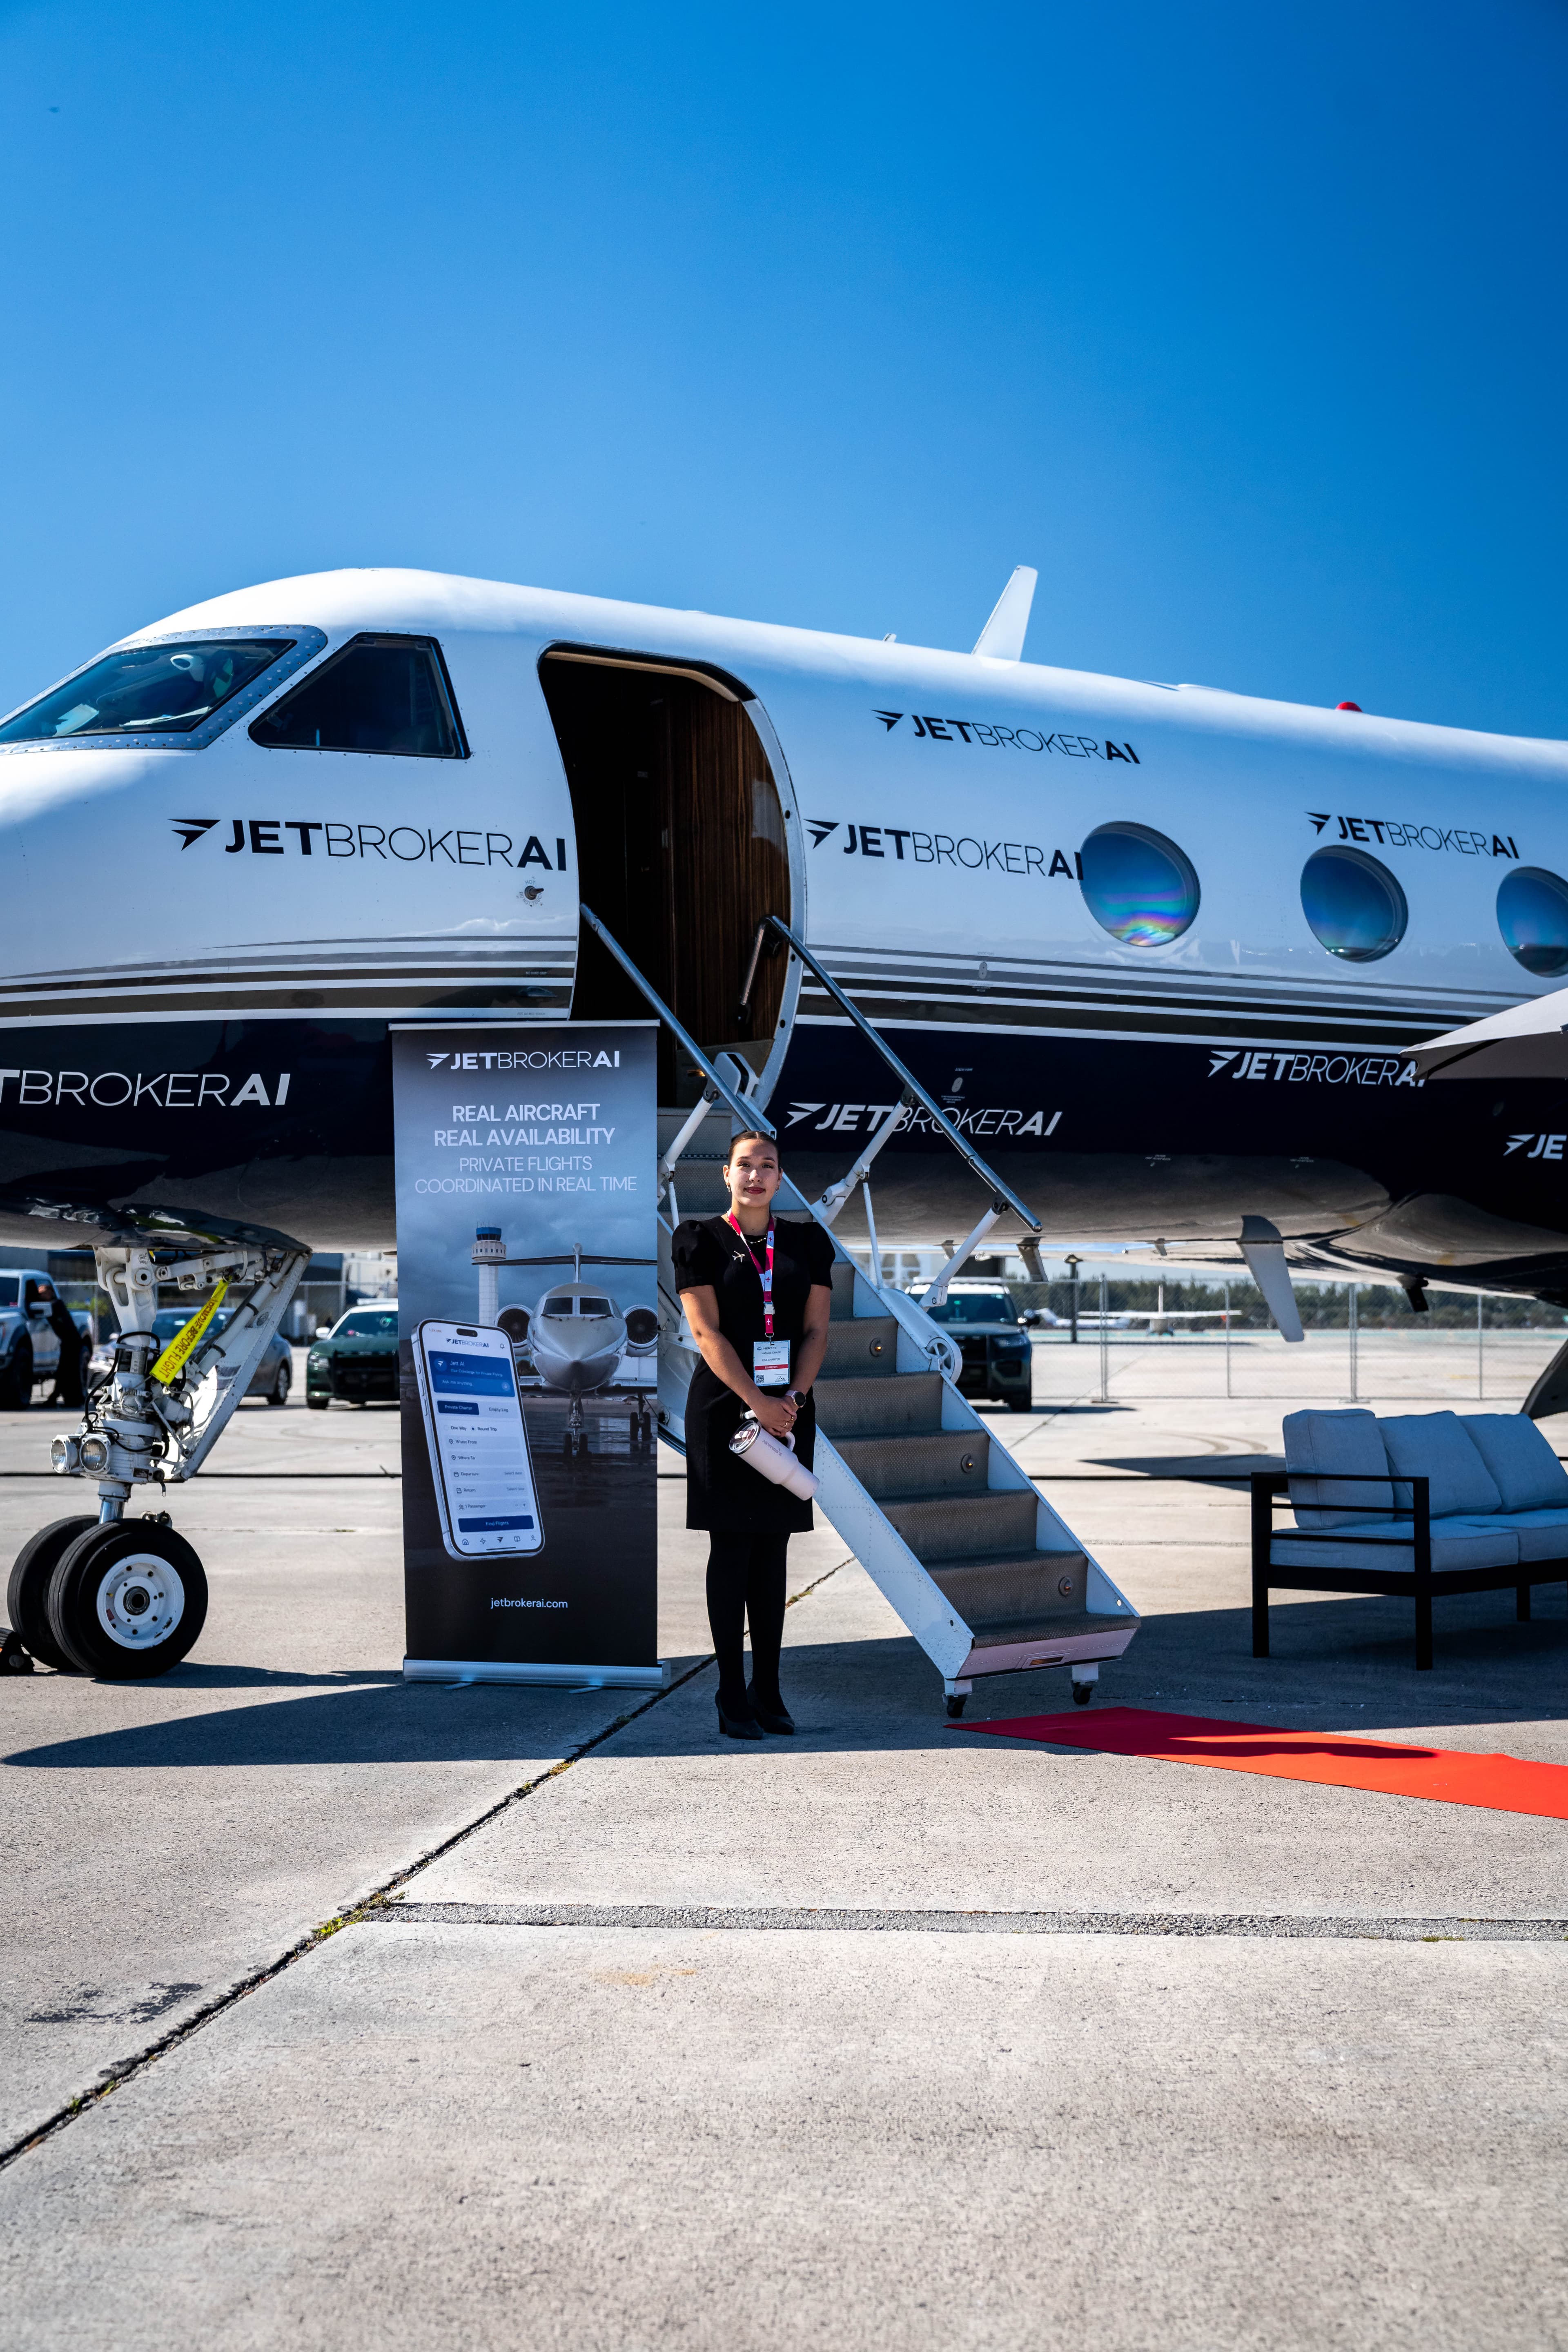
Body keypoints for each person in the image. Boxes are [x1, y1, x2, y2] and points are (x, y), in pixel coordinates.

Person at [672, 1130, 834, 1739]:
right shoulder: (699, 1239)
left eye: (768, 1166)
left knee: (773, 1552)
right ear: (727, 1176)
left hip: (789, 1408)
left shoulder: (807, 1242)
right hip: (725, 1408)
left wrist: (790, 1399)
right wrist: (757, 1401)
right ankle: (730, 1694)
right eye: (745, 1166)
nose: (756, 1176)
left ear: (781, 1176)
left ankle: (769, 1689)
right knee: (732, 1550)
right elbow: (707, 1333)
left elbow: (816, 1332)